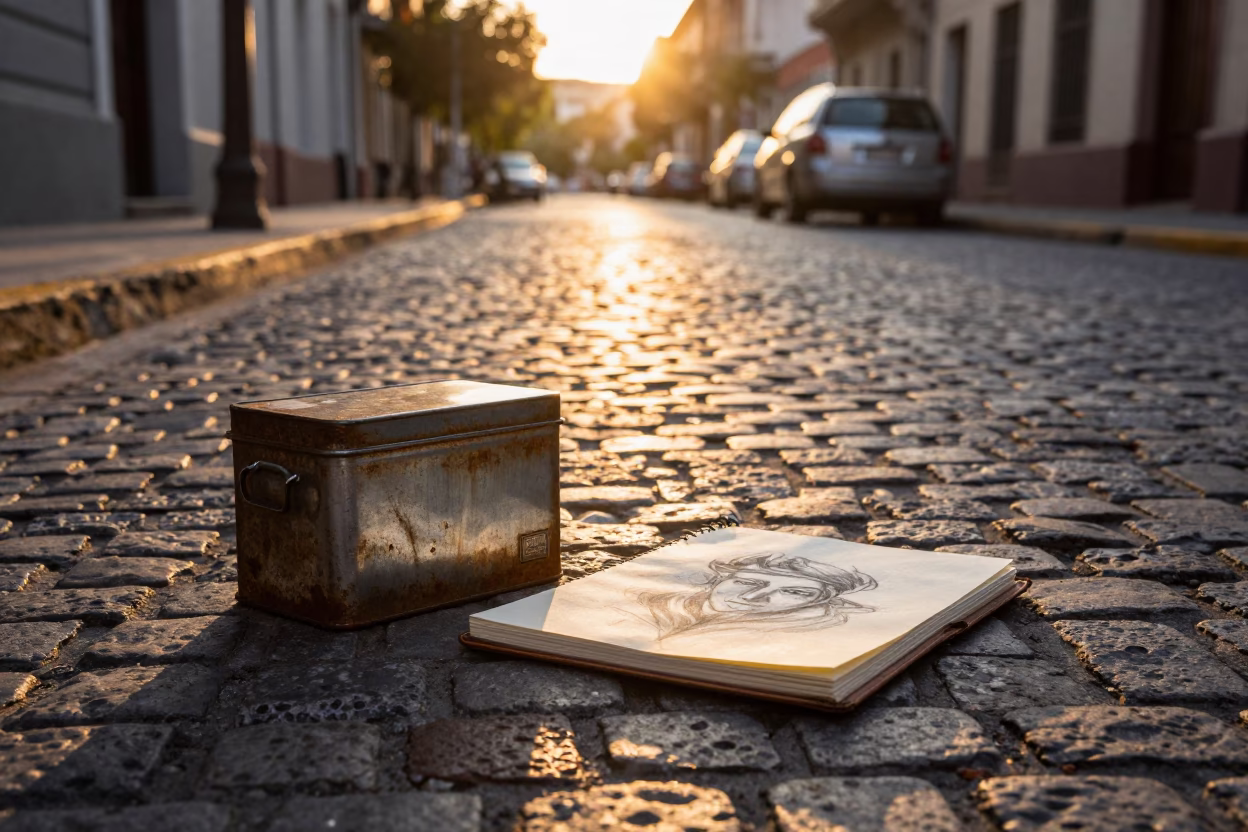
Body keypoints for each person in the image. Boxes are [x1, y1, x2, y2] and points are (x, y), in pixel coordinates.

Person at [633, 552, 878, 642]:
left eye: (794, 592)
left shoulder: (808, 633)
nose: (753, 597)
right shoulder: (650, 605)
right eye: (746, 582)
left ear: (820, 600)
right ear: (718, 580)